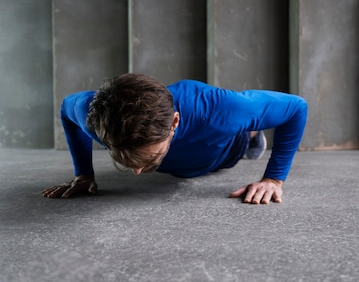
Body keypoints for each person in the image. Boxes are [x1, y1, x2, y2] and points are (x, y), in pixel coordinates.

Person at [42, 73, 308, 205]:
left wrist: (274, 178)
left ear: (175, 123)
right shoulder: (91, 115)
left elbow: (296, 107)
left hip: (223, 149)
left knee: (242, 117)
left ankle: (252, 135)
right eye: (118, 154)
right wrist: (84, 174)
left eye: (147, 157)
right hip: (191, 143)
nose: (136, 171)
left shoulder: (220, 110)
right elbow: (66, 107)